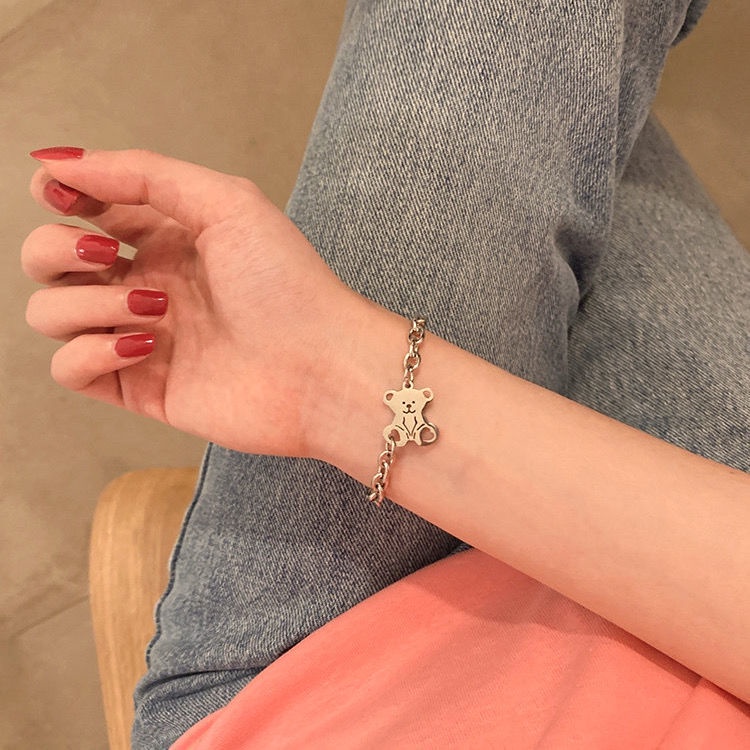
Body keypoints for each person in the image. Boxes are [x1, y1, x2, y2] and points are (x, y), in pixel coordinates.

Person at [22, 0, 749, 747]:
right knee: (573, 107)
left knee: (537, 80)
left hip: (310, 692)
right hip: (706, 604)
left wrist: (331, 383)